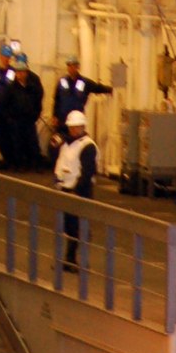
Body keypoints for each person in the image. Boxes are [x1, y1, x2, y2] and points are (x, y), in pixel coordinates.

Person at [53, 110, 96, 269]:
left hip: (80, 191)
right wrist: (57, 180)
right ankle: (69, 259)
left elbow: (88, 171)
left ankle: (76, 260)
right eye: (71, 127)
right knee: (69, 225)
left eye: (76, 127)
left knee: (78, 226)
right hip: (66, 189)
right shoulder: (66, 143)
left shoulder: (88, 146)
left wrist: (78, 190)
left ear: (82, 127)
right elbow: (60, 162)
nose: (73, 130)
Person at [52, 56, 109, 139]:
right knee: (61, 142)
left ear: (78, 67)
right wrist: (54, 116)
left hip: (77, 121)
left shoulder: (84, 82)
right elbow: (57, 99)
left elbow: (97, 88)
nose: (71, 68)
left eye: (73, 66)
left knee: (76, 141)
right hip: (62, 121)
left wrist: (110, 90)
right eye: (69, 66)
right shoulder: (62, 81)